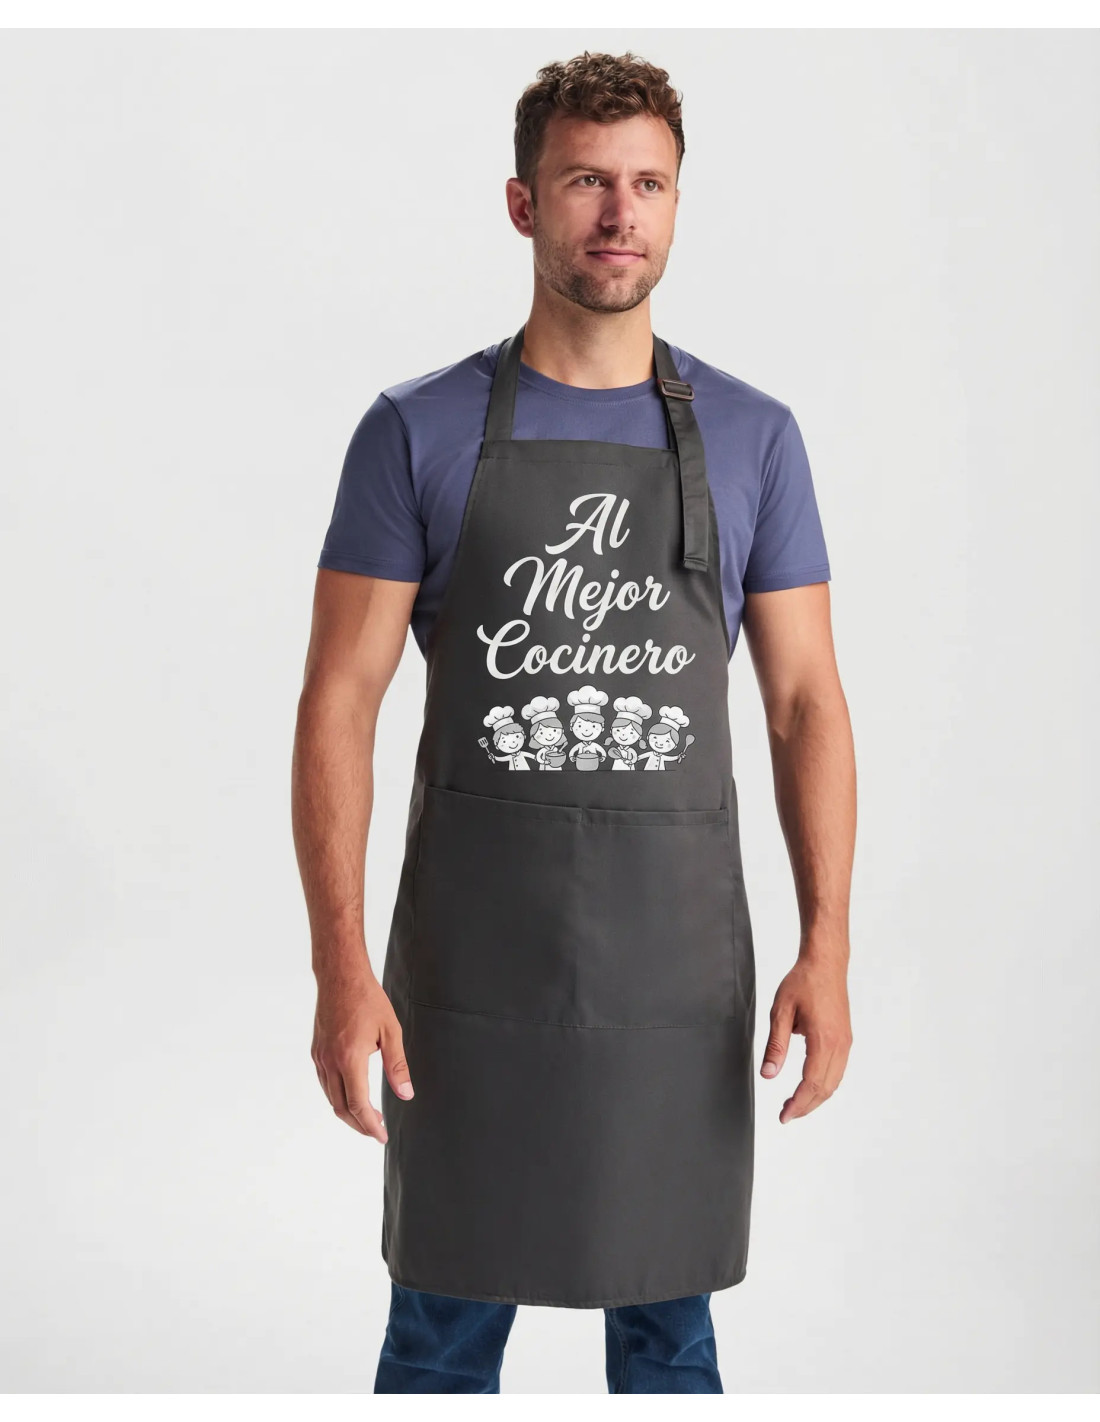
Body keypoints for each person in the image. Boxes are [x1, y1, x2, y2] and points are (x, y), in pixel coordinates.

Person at [291, 50, 855, 1396]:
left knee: (670, 1333)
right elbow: (339, 702)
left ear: (678, 204)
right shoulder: (415, 431)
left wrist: (828, 944)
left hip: (674, 979)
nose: (619, 212)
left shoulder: (756, 437)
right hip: (467, 982)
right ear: (523, 203)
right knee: (440, 1331)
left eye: (648, 184)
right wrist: (340, 966)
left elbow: (803, 703)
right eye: (587, 181)